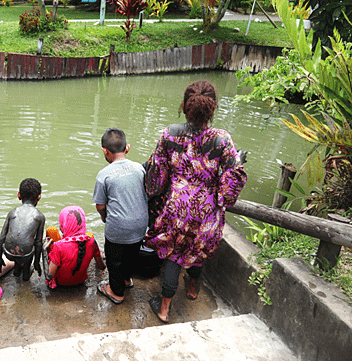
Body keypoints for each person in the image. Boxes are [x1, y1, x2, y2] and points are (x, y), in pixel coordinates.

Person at [144, 80, 247, 323]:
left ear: (184, 105)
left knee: (174, 254)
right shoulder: (222, 140)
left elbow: (156, 178)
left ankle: (164, 309)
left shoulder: (169, 134)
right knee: (197, 248)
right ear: (213, 108)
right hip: (206, 211)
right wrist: (220, 200)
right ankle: (192, 287)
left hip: (176, 208)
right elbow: (234, 180)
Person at [93, 128, 149, 304]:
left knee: (114, 259)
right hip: (141, 225)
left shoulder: (104, 175)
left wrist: (105, 218)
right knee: (131, 253)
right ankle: (126, 279)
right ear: (127, 148)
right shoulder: (140, 169)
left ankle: (116, 291)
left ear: (105, 150)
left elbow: (100, 205)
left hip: (118, 227)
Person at [44, 206, 106, 288]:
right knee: (89, 235)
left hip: (60, 282)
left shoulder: (58, 246)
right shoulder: (91, 242)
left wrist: (44, 251)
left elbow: (49, 276)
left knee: (51, 230)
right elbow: (102, 267)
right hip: (81, 280)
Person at [0, 178, 46, 281]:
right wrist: (37, 263)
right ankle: (26, 274)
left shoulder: (12, 212)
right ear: (39, 197)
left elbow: (2, 238)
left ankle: (17, 270)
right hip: (26, 256)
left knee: (18, 239)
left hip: (8, 253)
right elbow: (38, 242)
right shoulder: (39, 216)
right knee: (29, 243)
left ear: (19, 195)